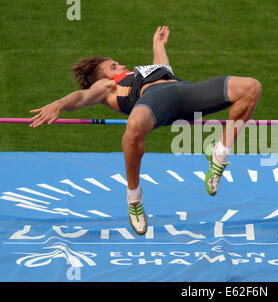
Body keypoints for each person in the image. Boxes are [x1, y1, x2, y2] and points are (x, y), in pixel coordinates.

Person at [29, 26, 262, 235]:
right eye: (113, 66)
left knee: (251, 87)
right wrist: (60, 103)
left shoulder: (141, 72)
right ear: (104, 77)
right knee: (134, 126)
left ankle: (219, 153)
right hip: (154, 101)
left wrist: (158, 45)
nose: (120, 65)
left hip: (186, 92)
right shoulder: (108, 86)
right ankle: (134, 198)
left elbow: (162, 67)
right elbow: (82, 97)